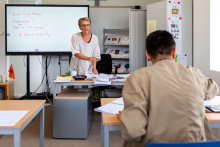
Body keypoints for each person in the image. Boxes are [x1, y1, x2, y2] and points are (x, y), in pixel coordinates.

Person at [117, 30, 219, 147]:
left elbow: (133, 132)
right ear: (174, 52)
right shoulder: (194, 73)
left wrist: (126, 117)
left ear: (148, 55)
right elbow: (214, 89)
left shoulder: (137, 77)